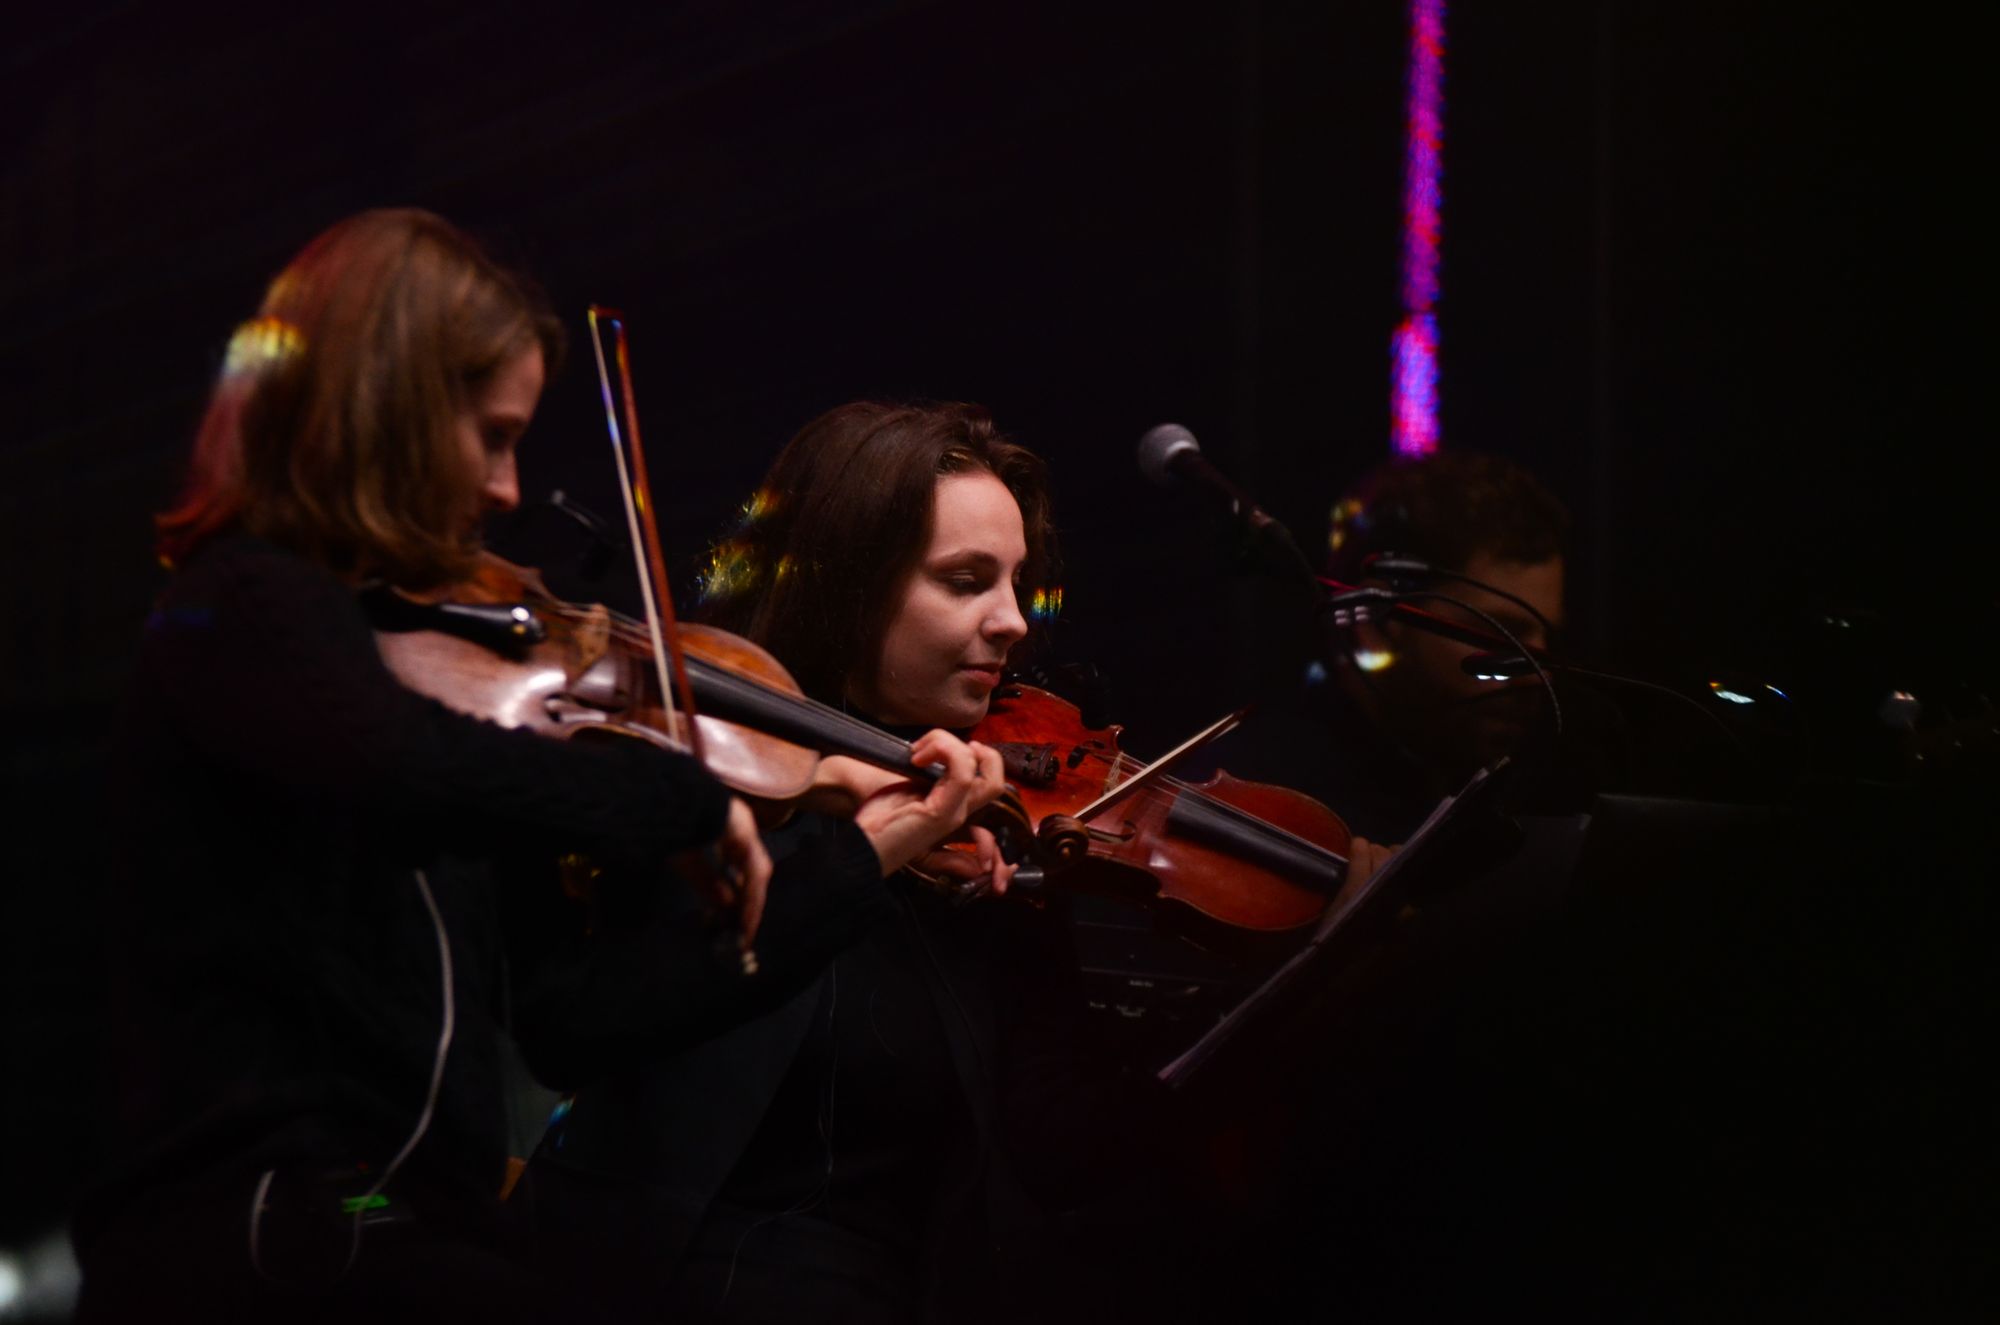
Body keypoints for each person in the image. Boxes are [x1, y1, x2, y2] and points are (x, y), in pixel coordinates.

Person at [69, 211, 999, 1323]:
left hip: (406, 1229)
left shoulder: (444, 708)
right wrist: (682, 796)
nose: (510, 489)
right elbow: (399, 763)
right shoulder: (238, 605)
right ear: (387, 412)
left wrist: (855, 857)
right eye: (492, 436)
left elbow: (577, 1018)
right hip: (256, 1232)